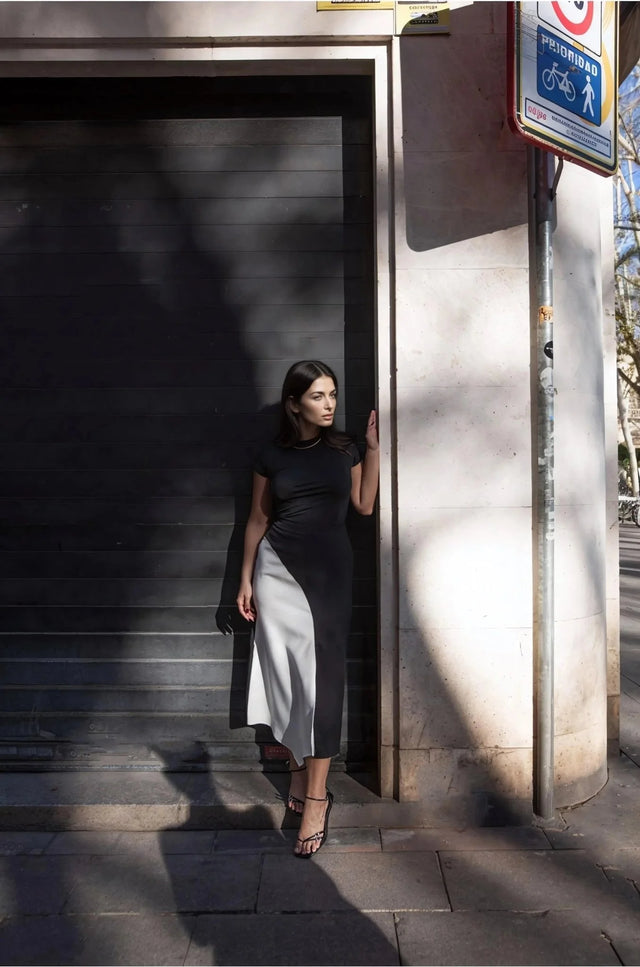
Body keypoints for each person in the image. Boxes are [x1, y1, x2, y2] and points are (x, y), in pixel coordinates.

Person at [236, 360, 379, 858]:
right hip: (277, 572)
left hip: (330, 576)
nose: (330, 404)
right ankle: (298, 777)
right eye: (319, 396)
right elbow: (258, 519)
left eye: (333, 395)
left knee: (323, 684)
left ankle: (317, 800)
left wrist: (375, 451)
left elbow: (363, 505)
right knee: (286, 678)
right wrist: (245, 579)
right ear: (294, 402)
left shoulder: (345, 448)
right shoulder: (270, 456)